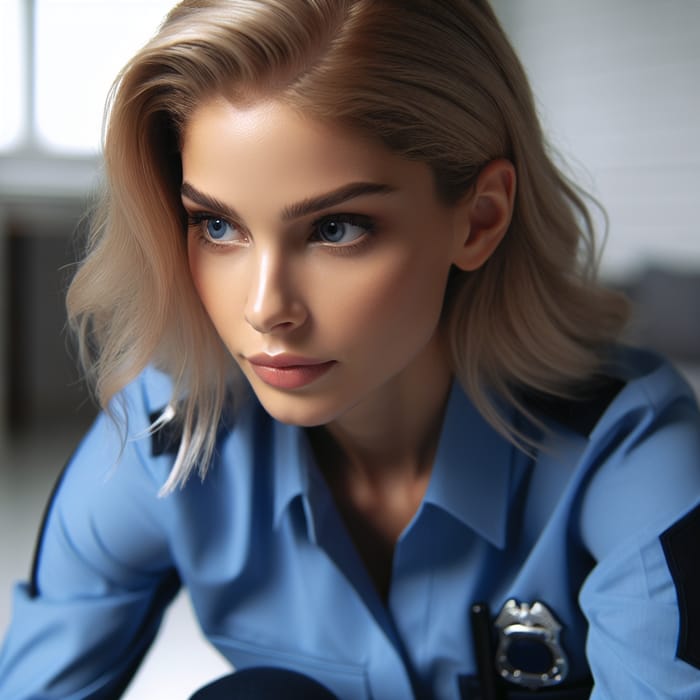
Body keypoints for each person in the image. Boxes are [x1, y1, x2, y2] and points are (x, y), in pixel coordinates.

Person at [1, 0, 699, 698]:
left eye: (336, 228)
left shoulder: (628, 448)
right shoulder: (170, 434)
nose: (264, 308)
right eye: (216, 225)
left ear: (480, 218)